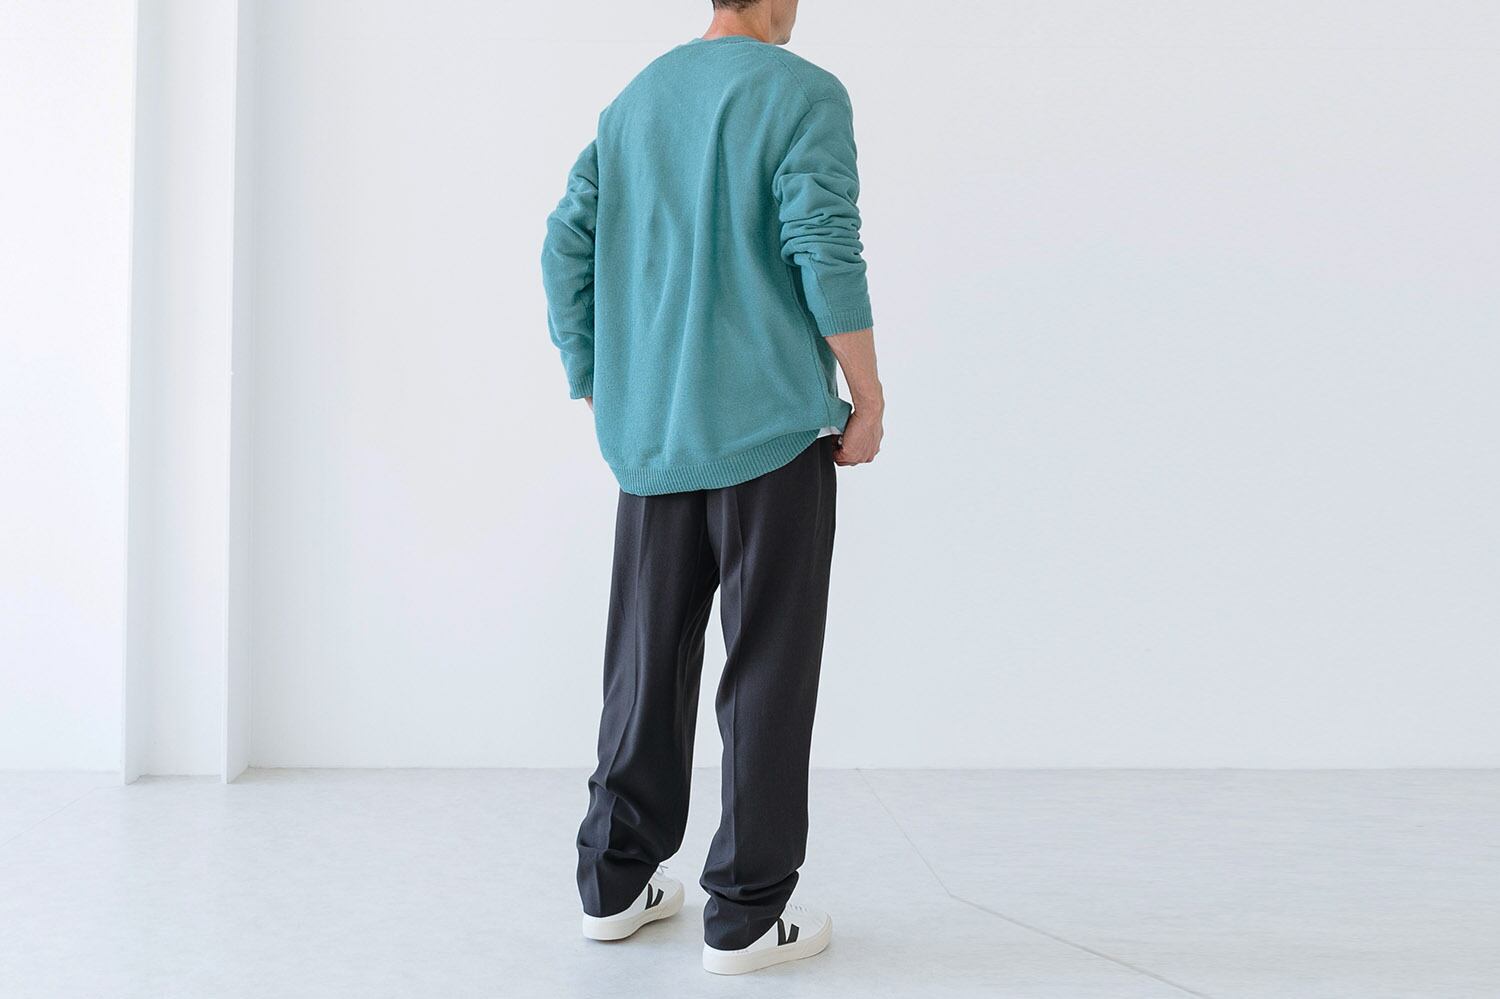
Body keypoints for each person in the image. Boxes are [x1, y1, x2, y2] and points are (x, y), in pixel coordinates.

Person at [541, 0, 884, 976]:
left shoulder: (635, 101)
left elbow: (564, 246)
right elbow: (823, 240)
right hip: (769, 434)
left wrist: (600, 376)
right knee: (768, 665)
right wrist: (867, 394)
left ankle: (613, 884)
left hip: (652, 436)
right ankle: (745, 913)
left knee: (645, 659)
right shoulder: (805, 94)